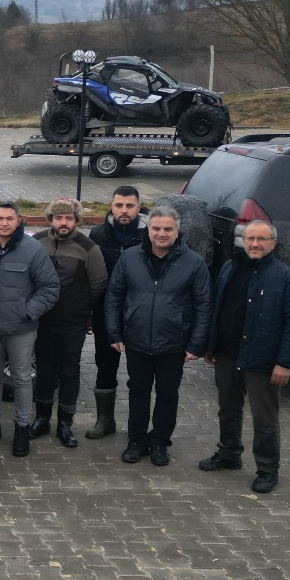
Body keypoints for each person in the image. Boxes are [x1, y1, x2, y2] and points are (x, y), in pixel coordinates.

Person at [201, 220, 290, 494]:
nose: (255, 244)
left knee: (264, 419)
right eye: (250, 239)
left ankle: (267, 469)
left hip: (263, 360)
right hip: (227, 354)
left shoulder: (288, 278)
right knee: (228, 409)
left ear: (273, 243)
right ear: (243, 241)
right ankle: (228, 454)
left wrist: (284, 362)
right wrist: (210, 344)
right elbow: (217, 307)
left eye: (261, 239)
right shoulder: (230, 268)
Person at [104, 204, 211, 467]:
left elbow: (204, 305)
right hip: (137, 341)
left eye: (167, 229)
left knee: (167, 395)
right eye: (156, 228)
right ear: (148, 230)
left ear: (178, 232)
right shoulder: (129, 258)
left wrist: (196, 343)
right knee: (137, 392)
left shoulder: (194, 263)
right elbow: (114, 297)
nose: (161, 234)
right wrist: (115, 332)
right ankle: (137, 440)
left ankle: (160, 442)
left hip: (173, 344)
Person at [0, 202, 60, 456]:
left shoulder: (33, 250)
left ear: (19, 221)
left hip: (21, 329)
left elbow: (50, 288)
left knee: (22, 378)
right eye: (0, 218)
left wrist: (28, 312)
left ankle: (22, 427)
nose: (4, 223)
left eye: (10, 218)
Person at [31, 198, 108, 448]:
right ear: (50, 219)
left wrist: (81, 307)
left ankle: (65, 422)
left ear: (76, 220)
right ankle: (42, 418)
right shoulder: (37, 241)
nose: (63, 222)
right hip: (41, 321)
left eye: (69, 218)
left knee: (68, 372)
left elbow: (98, 284)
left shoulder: (88, 248)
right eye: (58, 217)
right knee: (43, 371)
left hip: (72, 323)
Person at [86, 186, 150, 440]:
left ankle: (138, 425)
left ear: (139, 206)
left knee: (139, 372)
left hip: (139, 314)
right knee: (105, 365)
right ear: (111, 206)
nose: (124, 210)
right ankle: (105, 420)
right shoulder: (98, 234)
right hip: (106, 312)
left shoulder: (149, 234)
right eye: (119, 205)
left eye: (130, 205)